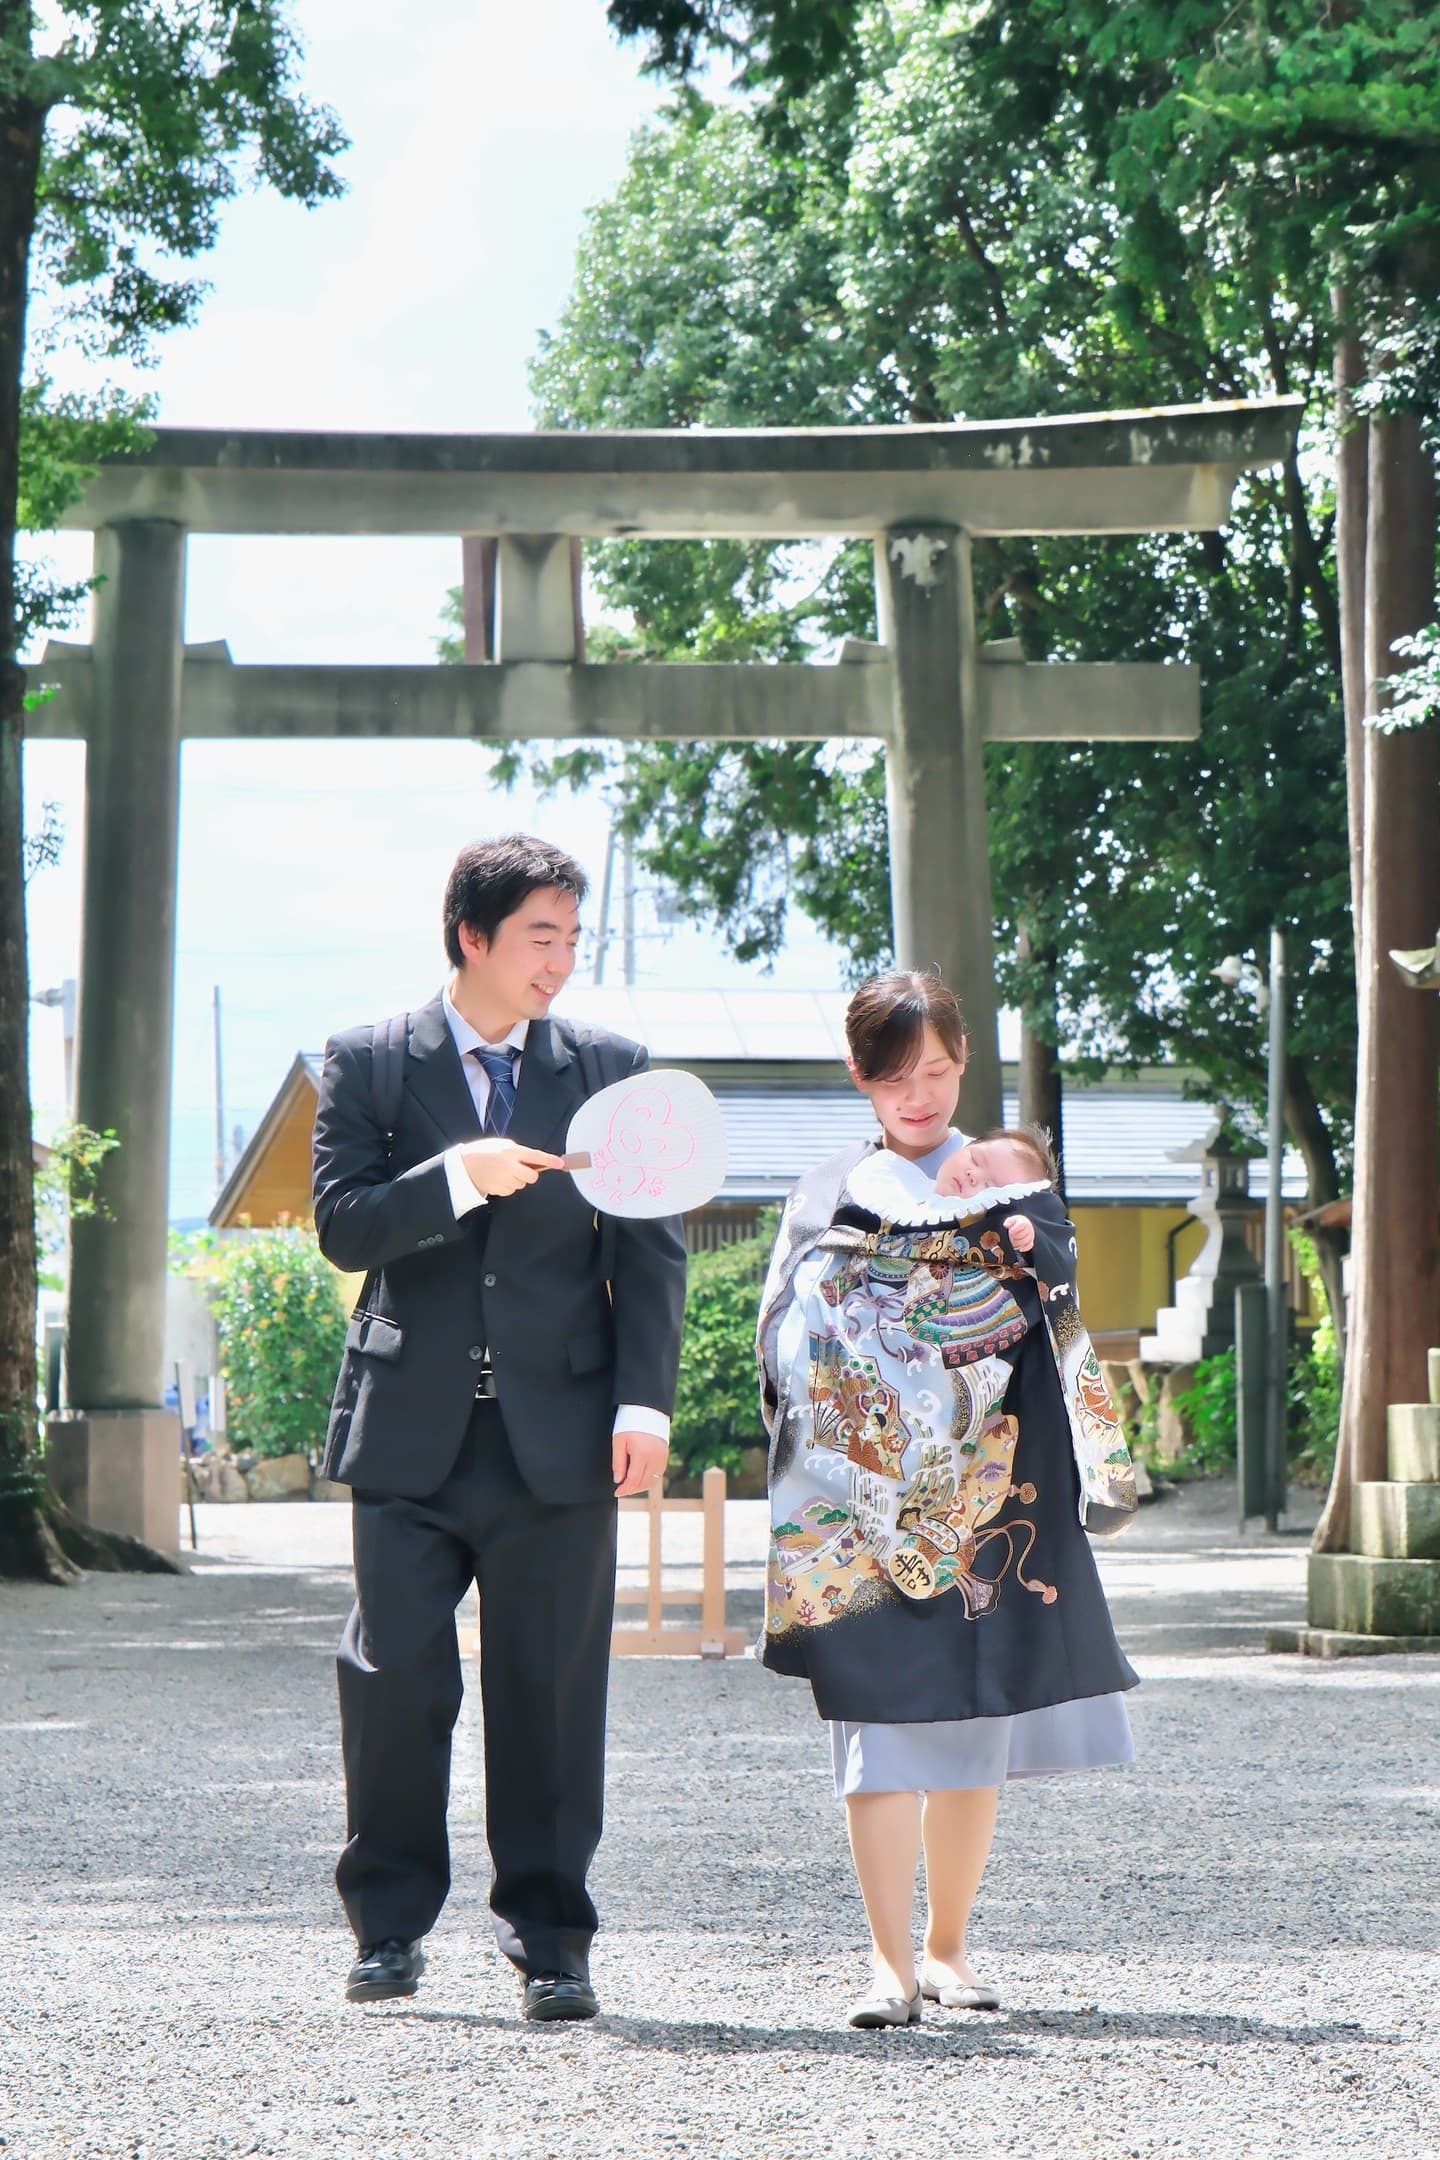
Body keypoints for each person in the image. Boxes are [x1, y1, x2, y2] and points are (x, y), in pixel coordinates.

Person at [311, 834, 687, 2023]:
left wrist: (644, 1403)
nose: (563, 961)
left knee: (552, 1693)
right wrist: (457, 1175)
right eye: (541, 936)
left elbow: (652, 1252)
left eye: (575, 938)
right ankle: (387, 1928)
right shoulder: (369, 1062)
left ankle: (553, 1937)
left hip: (563, 1436)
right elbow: (344, 1226)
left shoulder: (615, 1069)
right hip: (409, 1432)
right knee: (395, 1682)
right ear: (471, 937)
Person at [757, 970, 1137, 2029]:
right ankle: (887, 1959)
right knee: (876, 1722)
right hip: (857, 1490)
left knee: (975, 1716)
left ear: (964, 1060)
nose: (917, 1095)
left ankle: (949, 1947)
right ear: (860, 1077)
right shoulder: (827, 1185)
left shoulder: (1008, 1176)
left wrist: (1021, 1241)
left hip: (983, 1486)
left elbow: (1055, 1306)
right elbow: (785, 1319)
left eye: (934, 1069)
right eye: (893, 1075)